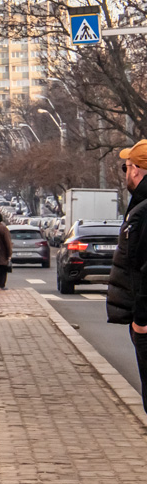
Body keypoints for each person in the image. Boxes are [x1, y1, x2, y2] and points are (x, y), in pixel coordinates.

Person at [107, 140, 147, 412]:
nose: (125, 172)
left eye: (126, 166)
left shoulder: (143, 211)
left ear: (137, 170)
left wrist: (141, 321)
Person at [0, 211, 13, 290]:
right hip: (3, 253)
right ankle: (1, 285)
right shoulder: (3, 228)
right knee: (3, 270)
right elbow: (7, 242)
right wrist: (9, 254)